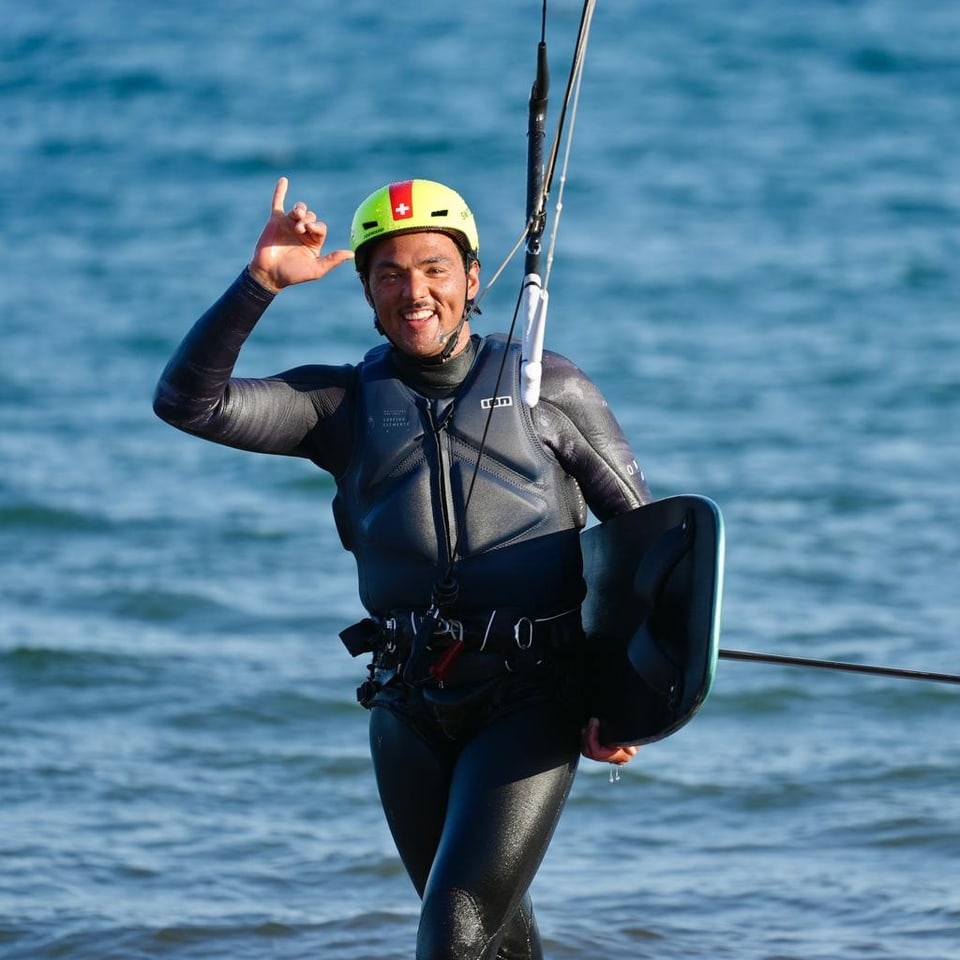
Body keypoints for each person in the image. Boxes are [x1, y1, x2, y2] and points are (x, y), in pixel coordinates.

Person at [154, 176, 650, 960]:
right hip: (407, 706)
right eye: (390, 273)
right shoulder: (341, 406)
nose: (414, 291)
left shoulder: (545, 387)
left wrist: (628, 700)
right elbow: (189, 403)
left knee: (453, 930)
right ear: (365, 289)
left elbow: (648, 545)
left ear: (473, 277)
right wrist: (260, 283)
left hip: (533, 697)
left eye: (433, 268)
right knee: (491, 935)